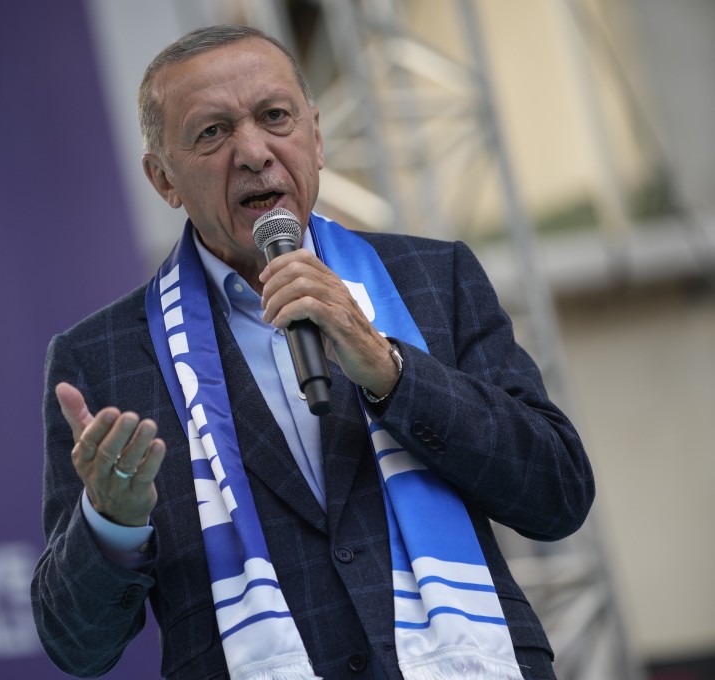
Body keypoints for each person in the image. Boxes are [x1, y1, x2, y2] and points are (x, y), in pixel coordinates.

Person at [31, 24, 593, 680]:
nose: (253, 152)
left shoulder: (433, 279)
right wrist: (111, 527)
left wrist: (392, 372)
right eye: (212, 133)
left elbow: (557, 494)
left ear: (317, 136)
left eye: (274, 117)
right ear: (163, 179)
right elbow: (77, 645)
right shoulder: (102, 359)